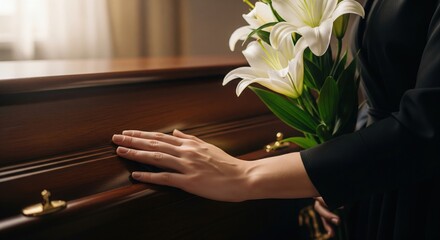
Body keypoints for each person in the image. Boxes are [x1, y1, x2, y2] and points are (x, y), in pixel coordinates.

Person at [112, 0, 440, 239]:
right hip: (384, 192)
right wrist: (341, 178)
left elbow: (426, 129)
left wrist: (245, 174)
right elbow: (389, 95)